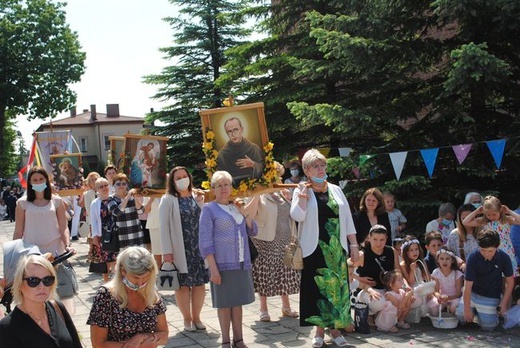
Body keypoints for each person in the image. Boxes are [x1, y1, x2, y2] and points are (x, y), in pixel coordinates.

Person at [290, 149, 358, 348]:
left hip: (336, 248)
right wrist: (302, 196)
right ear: (307, 170)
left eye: (322, 165)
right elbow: (297, 216)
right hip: (314, 247)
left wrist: (353, 244)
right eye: (315, 166)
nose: (321, 169)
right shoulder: (302, 189)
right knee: (317, 290)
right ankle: (319, 332)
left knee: (336, 289)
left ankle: (335, 330)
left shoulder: (336, 189)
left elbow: (347, 218)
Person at [199, 171, 258, 348]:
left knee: (237, 303)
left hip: (241, 262)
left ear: (231, 187)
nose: (224, 188)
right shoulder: (209, 209)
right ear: (213, 189)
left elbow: (253, 231)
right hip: (222, 264)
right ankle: (225, 340)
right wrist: (213, 268)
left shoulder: (235, 206)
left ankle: (238, 339)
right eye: (219, 185)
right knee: (224, 304)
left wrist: (245, 213)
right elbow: (205, 241)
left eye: (226, 184)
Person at [245, 162, 301, 322]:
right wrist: (257, 193)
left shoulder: (281, 193)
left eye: (277, 173)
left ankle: (286, 307)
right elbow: (248, 213)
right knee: (266, 274)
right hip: (265, 240)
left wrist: (289, 199)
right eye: (271, 174)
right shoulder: (258, 192)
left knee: (283, 273)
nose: (275, 177)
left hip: (285, 239)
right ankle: (263, 308)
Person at [12, 166, 75, 310]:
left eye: (41, 179)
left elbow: (63, 227)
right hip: (32, 253)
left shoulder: (57, 202)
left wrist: (67, 245)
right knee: (37, 289)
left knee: (58, 290)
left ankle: (61, 321)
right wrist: (14, 254)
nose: (38, 182)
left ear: (46, 181)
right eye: (35, 180)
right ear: (30, 182)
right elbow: (18, 231)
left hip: (55, 252)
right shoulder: (22, 203)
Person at [159, 166, 209, 332]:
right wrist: (167, 251)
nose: (182, 180)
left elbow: (204, 218)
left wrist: (201, 202)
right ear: (173, 182)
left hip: (198, 247)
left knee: (199, 284)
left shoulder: (196, 196)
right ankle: (187, 319)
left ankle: (197, 317)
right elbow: (163, 227)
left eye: (184, 176)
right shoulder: (168, 199)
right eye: (178, 178)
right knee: (183, 285)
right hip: (180, 248)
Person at [87, 246, 168, 346]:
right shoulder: (105, 296)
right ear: (123, 271)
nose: (140, 283)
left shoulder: (151, 293)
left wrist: (142, 337)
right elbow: (98, 344)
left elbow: (164, 335)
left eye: (145, 277)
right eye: (135, 277)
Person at [0, 254, 82, 347]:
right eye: (33, 281)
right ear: (19, 285)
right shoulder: (7, 327)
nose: (42, 287)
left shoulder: (57, 308)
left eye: (47, 280)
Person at [456, 228, 514, 331]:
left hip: (491, 295)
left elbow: (510, 281)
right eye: (483, 250)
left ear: (497, 246)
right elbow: (468, 285)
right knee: (461, 316)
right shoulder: (473, 257)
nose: (486, 254)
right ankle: (475, 311)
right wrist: (466, 308)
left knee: (489, 327)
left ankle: (484, 314)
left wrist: (504, 302)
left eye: (490, 251)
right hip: (473, 293)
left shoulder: (504, 258)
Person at [352, 225, 402, 328]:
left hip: (387, 288)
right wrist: (358, 278)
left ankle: (385, 318)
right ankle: (369, 314)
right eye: (375, 239)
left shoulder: (391, 251)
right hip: (368, 289)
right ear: (369, 238)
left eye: (382, 240)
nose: (378, 243)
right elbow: (345, 268)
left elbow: (397, 271)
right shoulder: (362, 254)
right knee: (379, 302)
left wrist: (404, 286)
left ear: (386, 239)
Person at [463, 195, 520, 278]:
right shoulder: (483, 221)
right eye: (488, 215)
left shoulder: (506, 220)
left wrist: (509, 211)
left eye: (494, 214)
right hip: (490, 252)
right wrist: (476, 211)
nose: (491, 217)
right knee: (493, 276)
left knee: (507, 277)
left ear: (500, 210)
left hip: (506, 253)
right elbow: (465, 222)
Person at [216, 117, 265, 186]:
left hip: (255, 188)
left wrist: (253, 164)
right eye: (230, 131)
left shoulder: (253, 148)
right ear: (226, 133)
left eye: (236, 130)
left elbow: (264, 167)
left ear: (241, 130)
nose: (233, 134)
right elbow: (220, 176)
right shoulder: (223, 154)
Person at [107, 173, 146, 249]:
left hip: (136, 233)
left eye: (124, 184)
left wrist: (134, 197)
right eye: (118, 184)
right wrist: (127, 197)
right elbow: (117, 212)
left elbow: (141, 211)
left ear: (127, 185)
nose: (121, 186)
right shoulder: (111, 199)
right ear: (113, 186)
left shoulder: (132, 197)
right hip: (121, 234)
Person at [90, 177, 118, 281]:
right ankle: (106, 281)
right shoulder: (95, 203)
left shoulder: (114, 199)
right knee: (105, 259)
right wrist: (94, 236)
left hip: (115, 233)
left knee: (115, 258)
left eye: (106, 185)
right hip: (103, 234)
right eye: (101, 186)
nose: (104, 188)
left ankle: (116, 280)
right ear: (97, 189)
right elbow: (94, 220)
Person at [427, 247, 463, 316]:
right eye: (441, 259)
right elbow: (436, 290)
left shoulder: (457, 274)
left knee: (454, 307)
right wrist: (439, 297)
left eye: (447, 259)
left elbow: (459, 293)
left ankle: (452, 318)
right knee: (433, 307)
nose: (444, 261)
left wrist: (448, 298)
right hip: (442, 297)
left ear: (452, 260)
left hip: (454, 297)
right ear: (437, 260)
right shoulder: (436, 272)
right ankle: (440, 316)